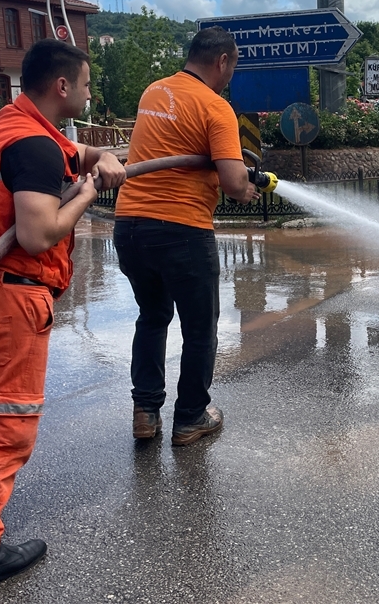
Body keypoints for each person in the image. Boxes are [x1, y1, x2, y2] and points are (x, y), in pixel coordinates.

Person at [0, 39, 126, 594]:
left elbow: (70, 152)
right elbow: (38, 233)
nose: (90, 94)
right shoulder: (34, 146)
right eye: (87, 84)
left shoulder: (13, 122)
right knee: (10, 421)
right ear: (62, 86)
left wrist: (100, 157)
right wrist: (90, 192)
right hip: (10, 298)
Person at [113, 27, 258, 447]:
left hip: (130, 225)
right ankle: (191, 417)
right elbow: (233, 182)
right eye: (233, 67)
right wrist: (246, 188)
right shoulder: (215, 106)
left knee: (152, 316)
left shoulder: (154, 91)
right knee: (199, 329)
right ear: (222, 61)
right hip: (182, 228)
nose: (230, 76)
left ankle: (145, 413)